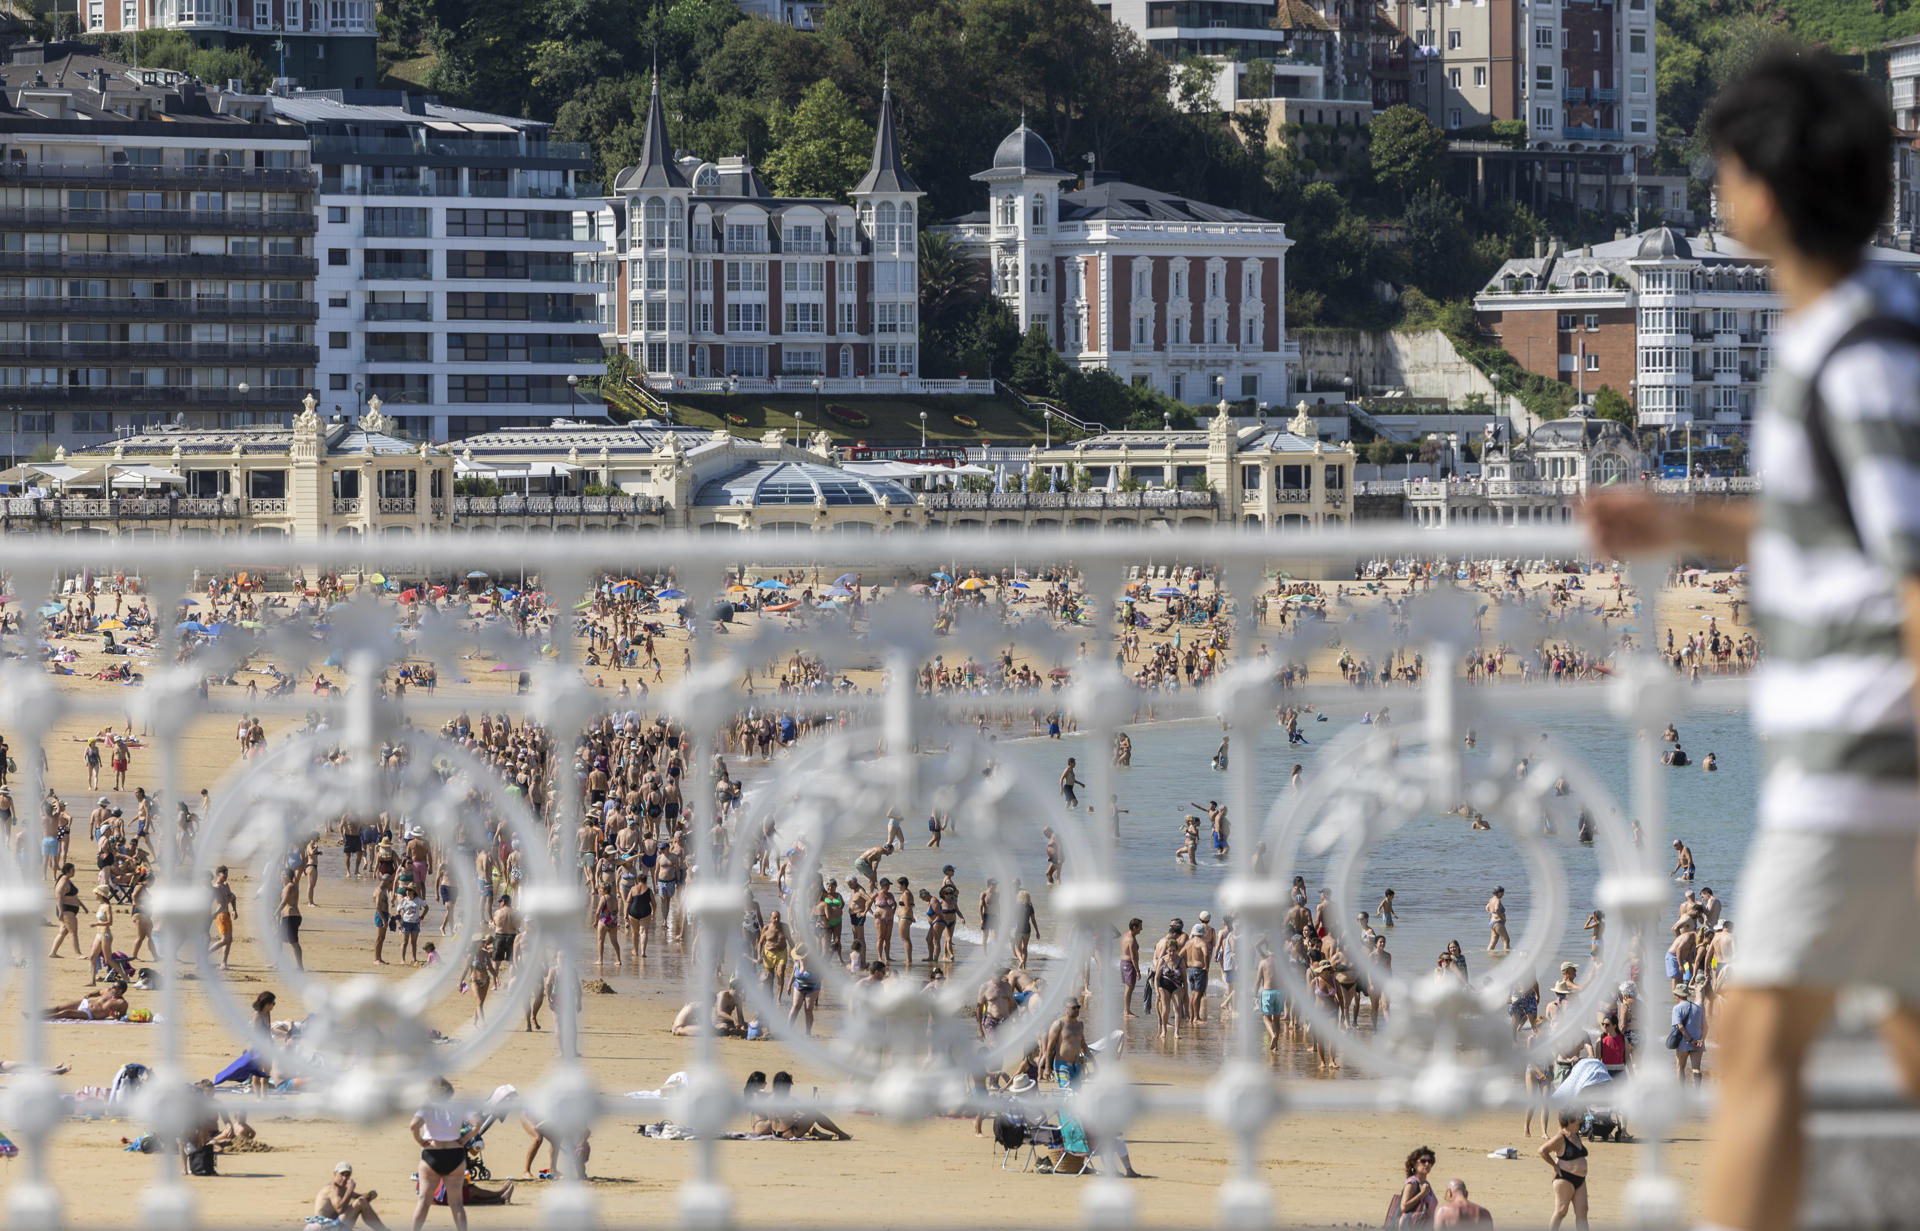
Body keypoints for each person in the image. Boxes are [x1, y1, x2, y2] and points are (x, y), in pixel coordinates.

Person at [409, 1077, 474, 1231]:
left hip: (432, 1154)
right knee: (456, 1204)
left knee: (424, 1201)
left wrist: (420, 1141)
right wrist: (465, 1138)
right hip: (455, 1154)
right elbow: (477, 1123)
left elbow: (413, 1126)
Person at [1540, 1113, 1588, 1229]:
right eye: (1578, 1115)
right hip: (1564, 1178)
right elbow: (1542, 1150)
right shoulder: (1561, 1137)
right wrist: (1554, 1166)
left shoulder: (1576, 1134)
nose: (1580, 1118)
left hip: (1580, 1180)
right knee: (1561, 1211)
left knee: (1583, 1211)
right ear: (1570, 1119)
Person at [314, 1162, 388, 1230]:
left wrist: (370, 1195)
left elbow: (361, 1199)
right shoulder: (332, 1188)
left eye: (347, 1175)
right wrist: (350, 1189)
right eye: (342, 1174)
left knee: (362, 1201)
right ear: (334, 1173)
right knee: (360, 1202)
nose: (344, 1178)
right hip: (324, 1227)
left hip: (334, 1225)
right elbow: (339, 1209)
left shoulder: (343, 1188)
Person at [1390, 1147, 1437, 1225]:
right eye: (1423, 1161)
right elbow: (1404, 1207)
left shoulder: (1426, 1183)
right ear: (1414, 1164)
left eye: (1430, 1161)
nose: (1427, 1164)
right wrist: (1421, 1194)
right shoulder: (1412, 1183)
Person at [1671, 986, 1707, 1085]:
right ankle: (1697, 1092)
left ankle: (1682, 1093)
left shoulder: (1677, 1008)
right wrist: (1701, 1040)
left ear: (1677, 995)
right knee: (1696, 1069)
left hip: (1683, 1042)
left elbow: (1680, 1027)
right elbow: (1706, 1027)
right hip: (1698, 1042)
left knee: (1680, 1068)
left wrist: (1690, 1040)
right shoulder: (1698, 1008)